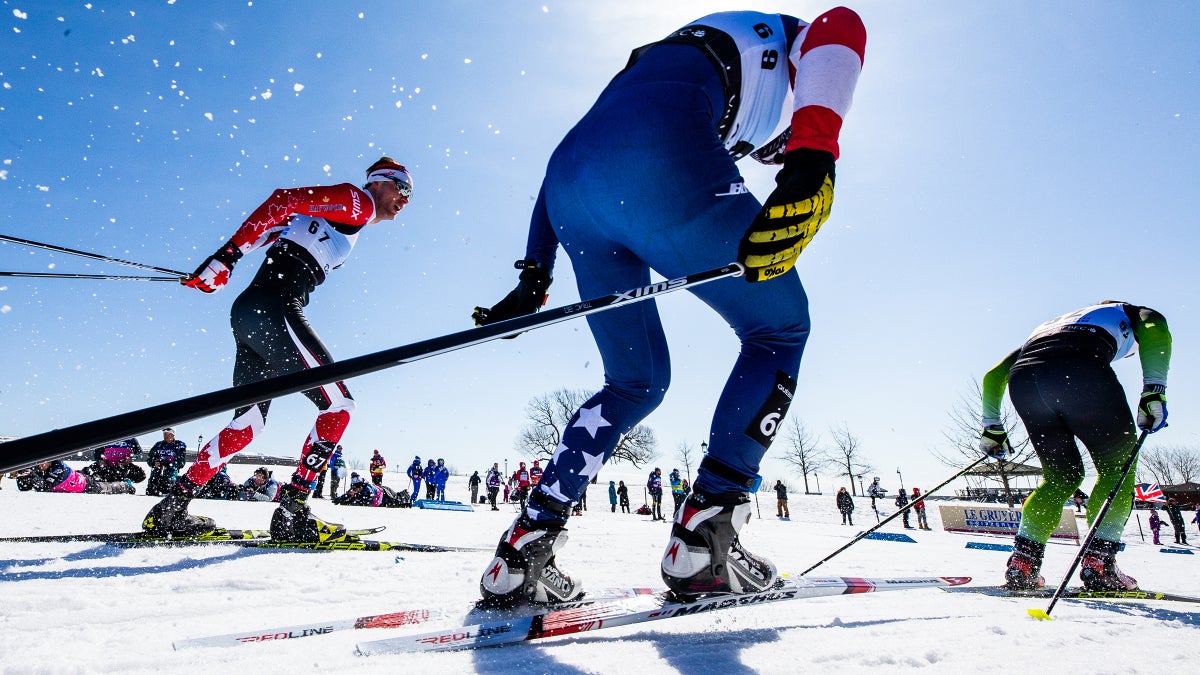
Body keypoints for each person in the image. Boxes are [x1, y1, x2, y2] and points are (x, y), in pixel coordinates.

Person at [471, 7, 865, 607]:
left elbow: (568, 157)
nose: (769, 154)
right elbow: (843, 22)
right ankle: (705, 540)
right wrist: (814, 159)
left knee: (635, 382)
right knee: (779, 329)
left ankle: (525, 544)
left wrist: (534, 273)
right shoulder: (788, 43)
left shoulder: (656, 58)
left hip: (572, 189)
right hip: (658, 151)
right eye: (775, 148)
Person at [139, 157, 412, 542]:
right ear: (380, 183)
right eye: (402, 188)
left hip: (249, 313)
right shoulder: (359, 202)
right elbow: (283, 199)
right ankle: (292, 512)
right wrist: (226, 256)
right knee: (339, 405)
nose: (405, 199)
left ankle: (171, 508)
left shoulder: (333, 219)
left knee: (246, 428)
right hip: (275, 310)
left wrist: (221, 264)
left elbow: (270, 228)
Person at [980, 301, 1172, 591]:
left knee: (1060, 477)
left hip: (1026, 379)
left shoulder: (1056, 325)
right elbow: (1156, 327)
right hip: (1080, 369)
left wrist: (992, 426)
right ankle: (1100, 564)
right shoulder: (1129, 311)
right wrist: (1153, 392)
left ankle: (1024, 563)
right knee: (1116, 469)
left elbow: (994, 375)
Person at [16, 460, 134, 495]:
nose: (39, 465)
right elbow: (24, 488)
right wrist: (23, 476)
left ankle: (126, 486)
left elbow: (44, 487)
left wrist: (32, 475)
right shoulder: (41, 469)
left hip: (86, 485)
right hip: (78, 480)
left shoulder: (59, 468)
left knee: (108, 488)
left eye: (42, 462)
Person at [146, 428, 187, 497]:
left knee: (167, 488)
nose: (165, 437)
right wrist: (154, 463)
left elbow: (181, 462)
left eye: (167, 435)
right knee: (151, 491)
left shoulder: (179, 445)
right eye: (164, 435)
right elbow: (149, 458)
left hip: (170, 473)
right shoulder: (158, 445)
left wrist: (169, 464)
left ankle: (175, 483)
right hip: (157, 473)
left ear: (173, 435)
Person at [83, 446, 148, 487]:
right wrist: (100, 460)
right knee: (87, 471)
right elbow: (97, 452)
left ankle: (125, 482)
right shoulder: (106, 437)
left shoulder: (131, 439)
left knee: (141, 474)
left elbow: (138, 453)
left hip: (124, 466)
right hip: (107, 464)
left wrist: (131, 458)